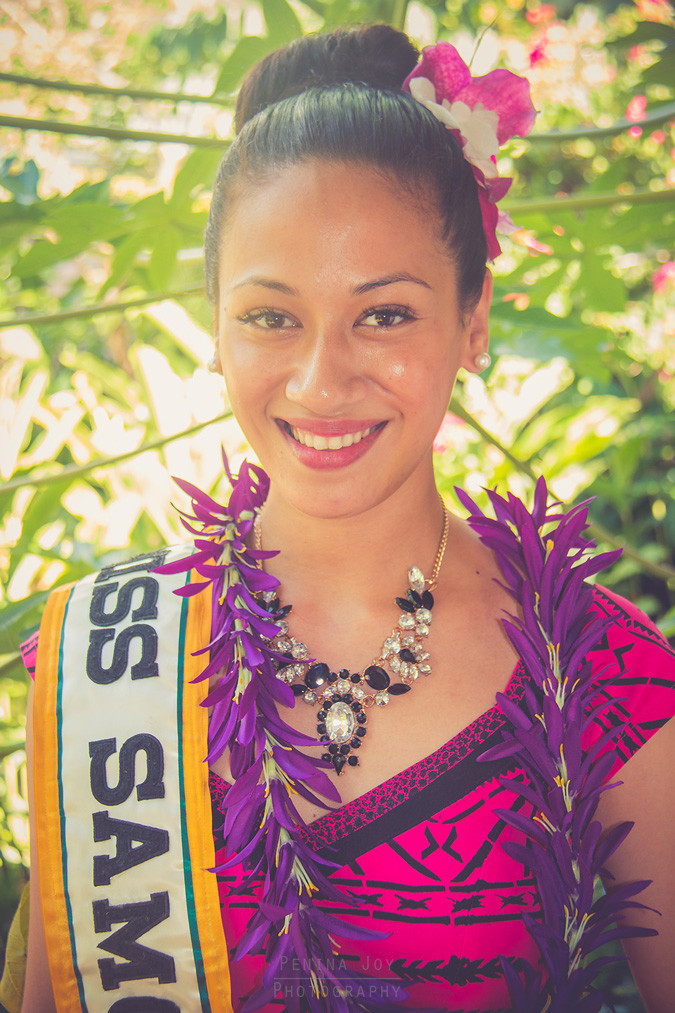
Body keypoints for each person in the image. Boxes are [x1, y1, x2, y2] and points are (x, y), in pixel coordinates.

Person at [19, 22, 675, 1013]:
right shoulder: (103, 666)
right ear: (216, 326)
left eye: (385, 313)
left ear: (474, 318)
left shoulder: (594, 669)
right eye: (271, 315)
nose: (322, 381)